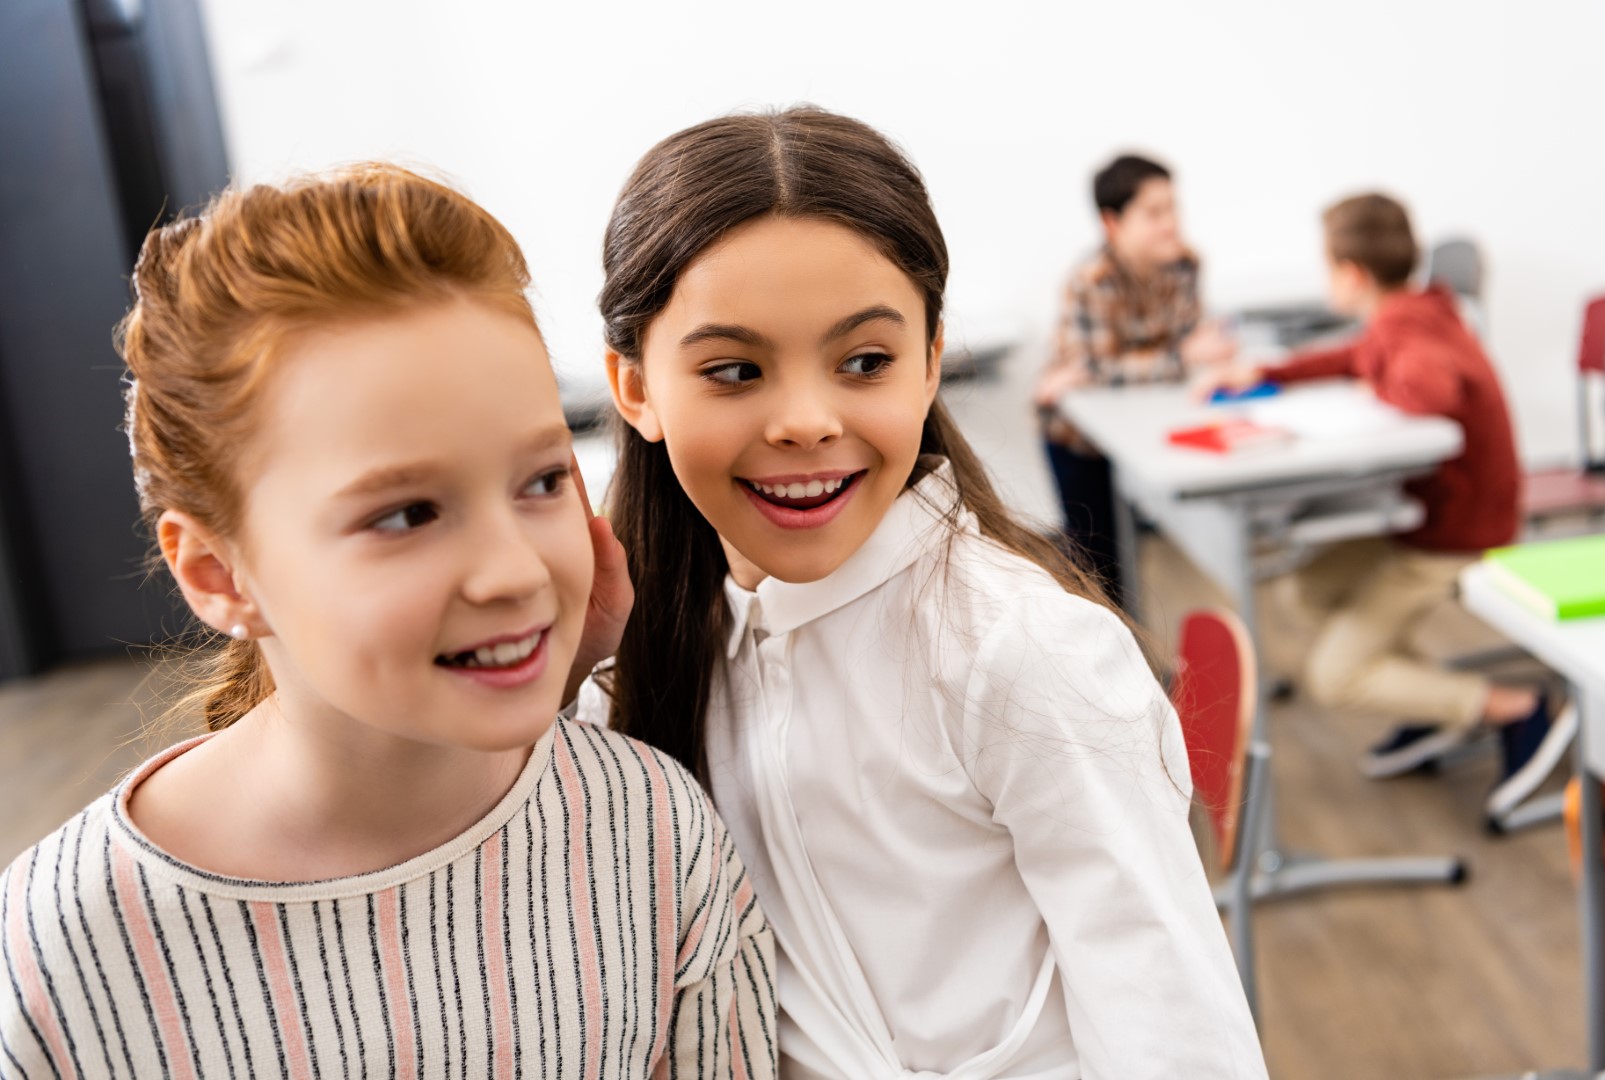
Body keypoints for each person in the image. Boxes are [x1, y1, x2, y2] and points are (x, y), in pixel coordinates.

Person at [0, 165, 775, 1079]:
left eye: (540, 481)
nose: (516, 570)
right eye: (407, 514)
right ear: (217, 572)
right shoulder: (57, 958)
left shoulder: (651, 830)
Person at [581, 107, 1266, 1079]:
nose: (807, 421)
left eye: (864, 362)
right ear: (635, 385)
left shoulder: (1020, 653)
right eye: (734, 371)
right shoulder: (642, 659)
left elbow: (1178, 1043)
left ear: (931, 358)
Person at [1208, 193, 1561, 803]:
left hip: (1454, 533)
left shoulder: (1411, 327)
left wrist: (1380, 388)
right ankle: (1423, 693)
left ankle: (1514, 709)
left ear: (1351, 274)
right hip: (1424, 517)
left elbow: (1433, 389)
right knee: (1306, 589)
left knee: (1334, 676)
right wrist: (1273, 375)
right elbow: (1359, 355)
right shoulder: (1412, 310)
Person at [1034, 154, 1237, 597]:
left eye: (1173, 208)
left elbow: (1110, 367)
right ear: (1112, 222)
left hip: (1141, 426)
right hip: (1077, 438)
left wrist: (1187, 355)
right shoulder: (1092, 280)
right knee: (1098, 560)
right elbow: (1093, 368)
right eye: (1154, 213)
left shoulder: (1184, 265)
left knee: (1152, 546)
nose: (1171, 223)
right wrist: (1178, 357)